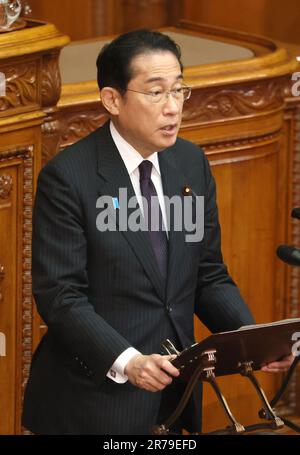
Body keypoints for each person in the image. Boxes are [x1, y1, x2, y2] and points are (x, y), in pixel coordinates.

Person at [22, 29, 293, 435]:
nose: (173, 108)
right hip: (95, 402)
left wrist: (249, 342)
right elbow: (62, 296)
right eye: (156, 93)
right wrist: (128, 360)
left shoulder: (190, 163)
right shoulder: (69, 179)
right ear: (113, 99)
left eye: (179, 90)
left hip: (175, 393)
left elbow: (207, 273)